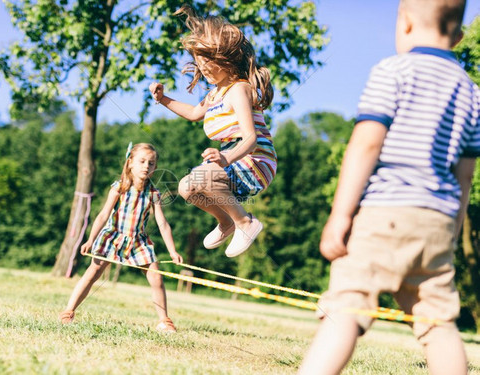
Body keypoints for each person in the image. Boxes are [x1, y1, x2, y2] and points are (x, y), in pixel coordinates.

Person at [298, 1, 479, 374]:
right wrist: (454, 228)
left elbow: (366, 144)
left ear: (405, 23)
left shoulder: (393, 70)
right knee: (437, 322)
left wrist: (340, 215)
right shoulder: (472, 93)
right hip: (439, 221)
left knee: (347, 306)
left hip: (386, 211)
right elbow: (465, 175)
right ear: (459, 36)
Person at [149, 5, 277, 258]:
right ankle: (227, 222)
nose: (202, 67)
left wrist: (225, 159)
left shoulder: (238, 89)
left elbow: (251, 138)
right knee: (187, 188)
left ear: (226, 59)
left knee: (204, 176)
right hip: (235, 159)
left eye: (207, 60)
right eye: (198, 61)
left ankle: (245, 223)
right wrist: (163, 99)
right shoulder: (214, 94)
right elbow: (195, 114)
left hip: (256, 159)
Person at [59, 143, 183, 333]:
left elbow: (163, 224)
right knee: (93, 274)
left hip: (138, 241)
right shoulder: (120, 187)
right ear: (130, 163)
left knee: (156, 278)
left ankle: (164, 321)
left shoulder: (153, 193)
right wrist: (90, 240)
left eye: (151, 163)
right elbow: (103, 215)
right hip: (113, 237)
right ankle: (68, 311)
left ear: (155, 167)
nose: (146, 166)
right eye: (142, 161)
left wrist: (172, 251)